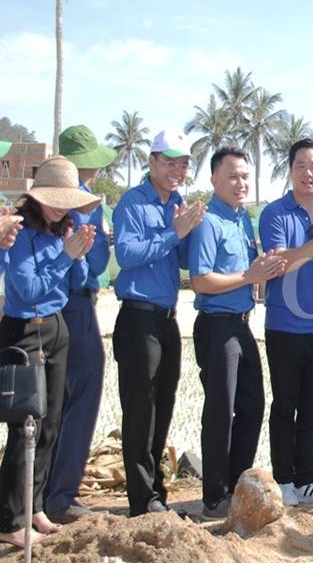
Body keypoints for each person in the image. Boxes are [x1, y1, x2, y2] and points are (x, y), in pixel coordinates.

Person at [0, 156, 97, 549]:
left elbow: (81, 280)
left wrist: (80, 253)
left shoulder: (64, 228)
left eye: (66, 200)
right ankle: (10, 518)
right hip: (24, 330)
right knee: (25, 427)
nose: (60, 207)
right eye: (54, 199)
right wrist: (65, 255)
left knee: (51, 421)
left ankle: (35, 504)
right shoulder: (20, 233)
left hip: (57, 327)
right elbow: (28, 289)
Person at [112, 129, 206, 517]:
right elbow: (128, 253)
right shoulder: (133, 203)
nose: (177, 170)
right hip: (138, 318)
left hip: (168, 319)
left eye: (183, 163)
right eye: (169, 162)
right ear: (151, 161)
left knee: (162, 405)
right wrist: (175, 232)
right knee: (141, 409)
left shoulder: (177, 202)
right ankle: (142, 500)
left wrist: (189, 231)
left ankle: (156, 495)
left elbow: (183, 259)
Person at [189, 147, 287, 518]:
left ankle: (236, 484)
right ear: (214, 179)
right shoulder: (208, 221)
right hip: (217, 326)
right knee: (220, 410)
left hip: (243, 323)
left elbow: (250, 276)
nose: (241, 183)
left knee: (252, 405)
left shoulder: (243, 219)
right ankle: (215, 495)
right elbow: (200, 281)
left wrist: (263, 273)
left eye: (245, 176)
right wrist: (250, 276)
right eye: (232, 176)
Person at [258, 138, 313, 506]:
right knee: (284, 405)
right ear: (290, 170)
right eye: (301, 166)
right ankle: (283, 481)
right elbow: (281, 263)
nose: (308, 173)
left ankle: (307, 479)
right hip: (283, 327)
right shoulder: (275, 213)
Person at [43, 125, 116, 524]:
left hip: (61, 305)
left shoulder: (65, 205)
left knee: (54, 401)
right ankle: (61, 494)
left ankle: (44, 494)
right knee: (75, 398)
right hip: (73, 305)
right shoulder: (85, 207)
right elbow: (95, 266)